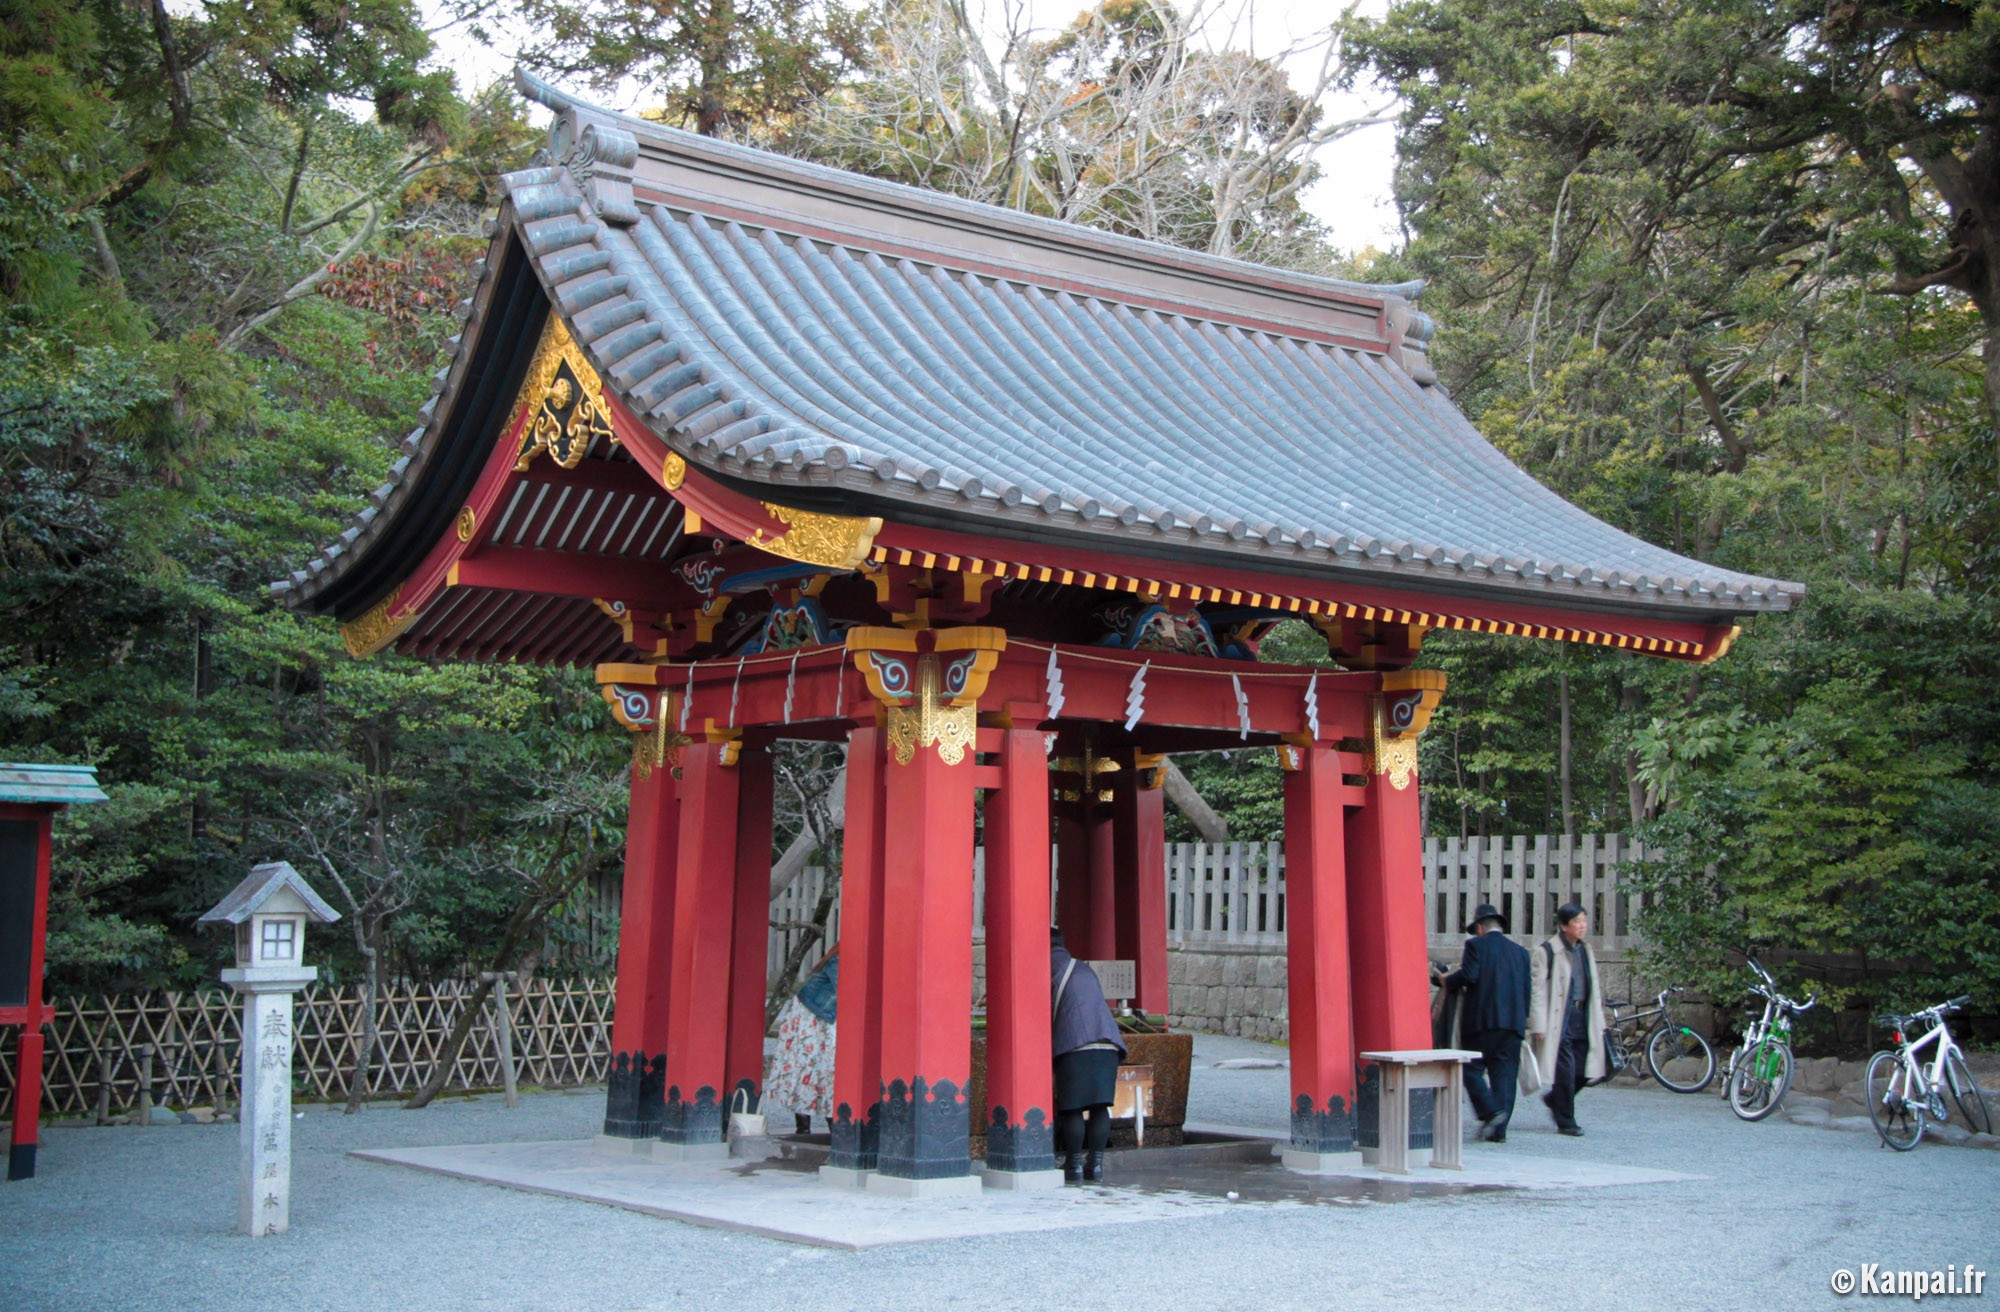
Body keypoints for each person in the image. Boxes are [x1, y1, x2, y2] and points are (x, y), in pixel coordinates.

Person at [1431, 902, 1531, 1143]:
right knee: (1505, 1075)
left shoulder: (1475, 945)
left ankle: (1490, 1111)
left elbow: (1470, 975)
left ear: (1479, 928)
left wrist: (1446, 980)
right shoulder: (1521, 953)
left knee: (1469, 1068)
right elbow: (1527, 991)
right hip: (1513, 1024)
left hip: (1482, 1021)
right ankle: (1499, 1131)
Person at [1049, 928, 1127, 1183]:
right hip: (1108, 1043)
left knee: (1072, 1108)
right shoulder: (1082, 967)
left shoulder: (1046, 966)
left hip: (1076, 1043)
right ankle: (1095, 1164)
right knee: (1099, 1106)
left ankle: (1073, 1165)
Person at [1528, 903, 1607, 1137]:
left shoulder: (1585, 950)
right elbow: (1538, 991)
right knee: (1565, 1069)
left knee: (1585, 1069)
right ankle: (1566, 1120)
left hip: (1582, 1015)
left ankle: (1555, 1099)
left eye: (1584, 921)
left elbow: (1595, 988)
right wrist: (1538, 1024)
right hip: (1558, 1018)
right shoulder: (1547, 951)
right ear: (1564, 926)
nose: (1582, 926)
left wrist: (1600, 1020)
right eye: (1577, 922)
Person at [766, 949, 837, 1135]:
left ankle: (817, 1125)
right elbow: (851, 994)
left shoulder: (836, 959)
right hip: (812, 1018)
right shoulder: (838, 961)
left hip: (821, 1018)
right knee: (816, 1067)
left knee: (819, 1068)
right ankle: (816, 1126)